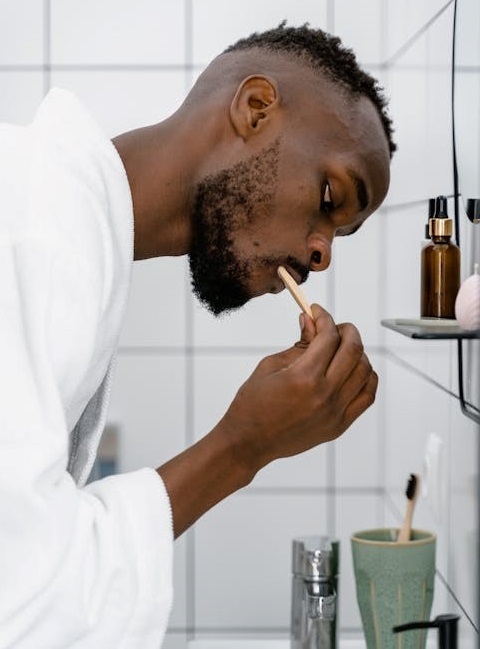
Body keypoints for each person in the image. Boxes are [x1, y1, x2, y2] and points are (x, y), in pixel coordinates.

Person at [0, 22, 394, 649]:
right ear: (256, 108)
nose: (322, 254)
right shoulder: (35, 230)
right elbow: (20, 598)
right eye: (329, 195)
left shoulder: (63, 226)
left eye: (340, 235)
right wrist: (241, 447)